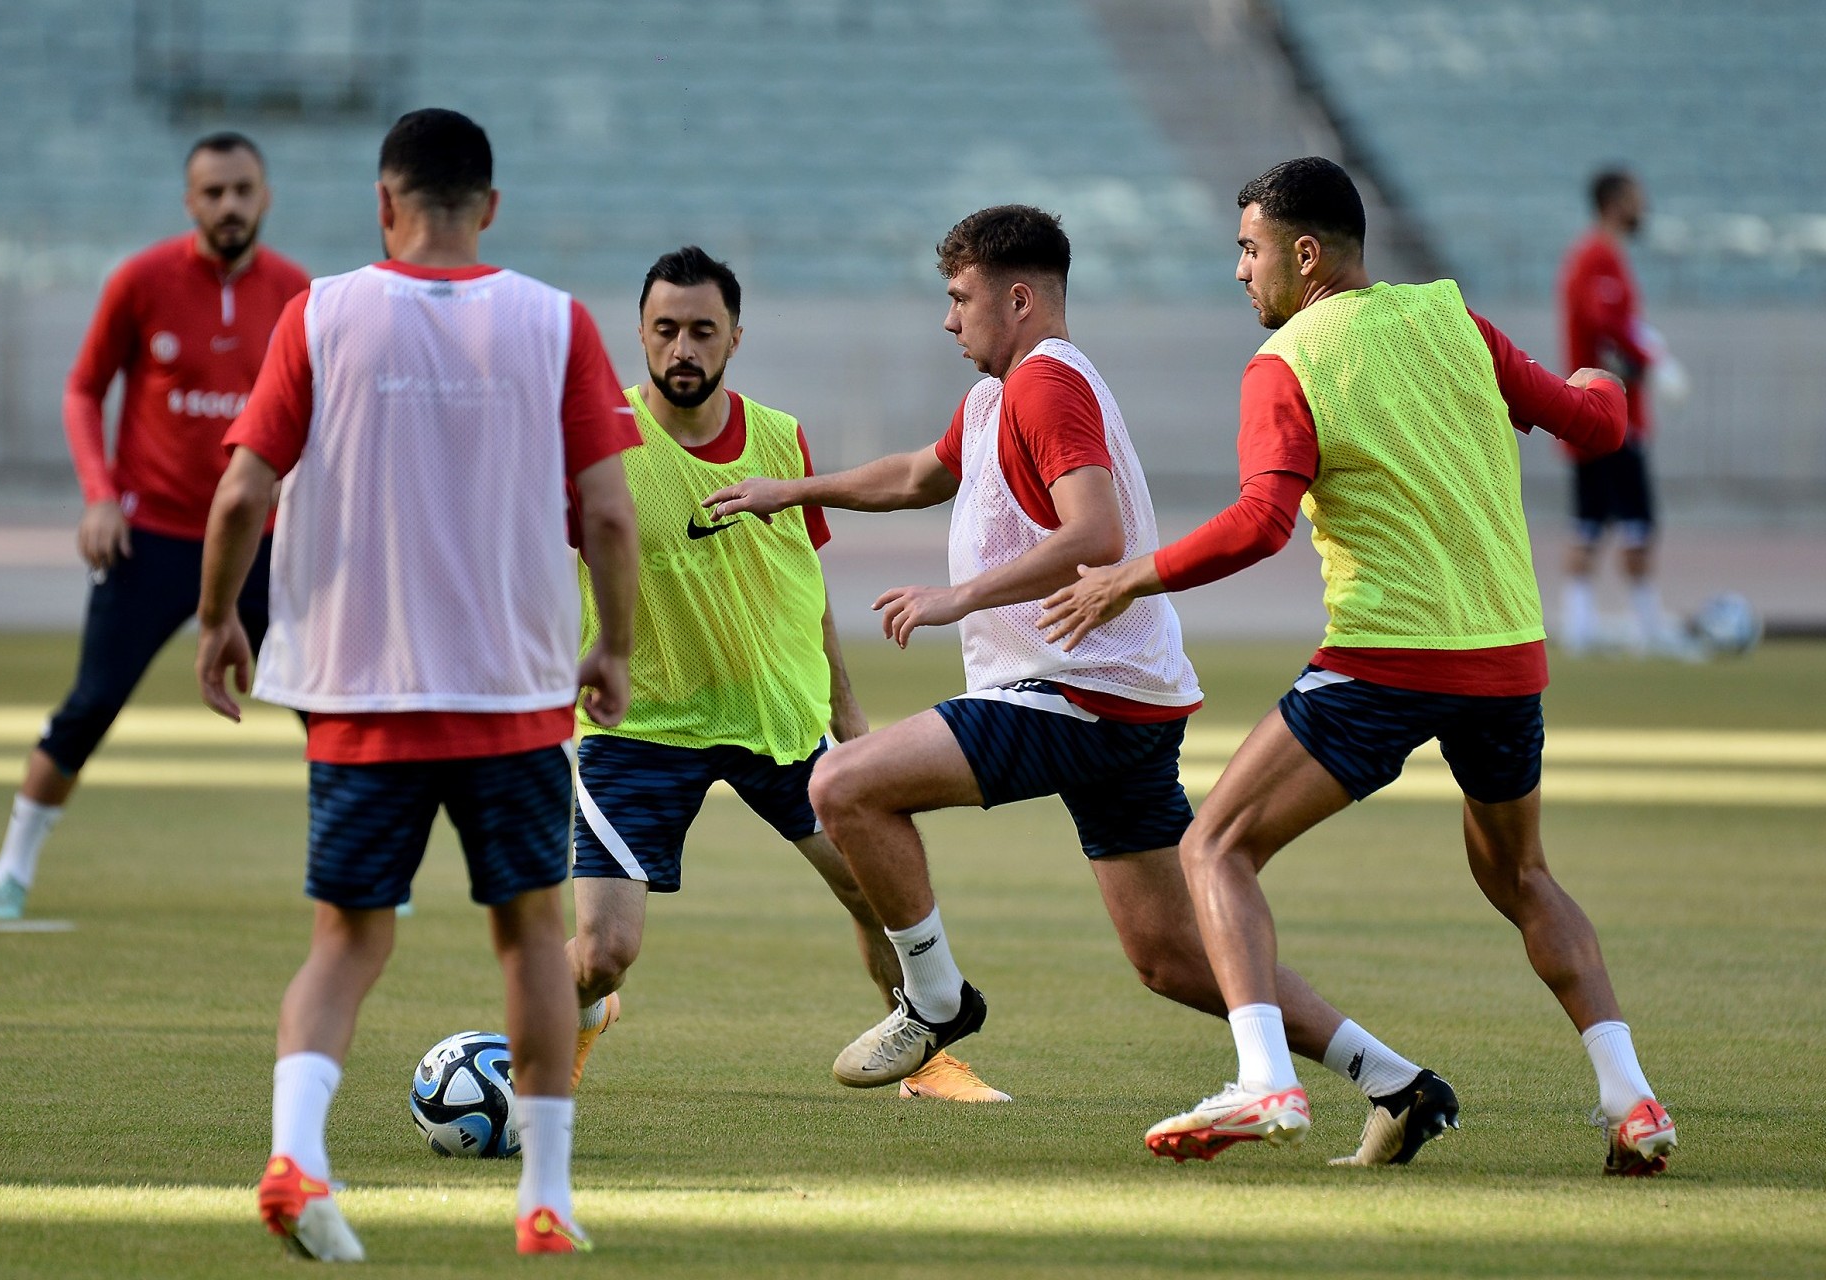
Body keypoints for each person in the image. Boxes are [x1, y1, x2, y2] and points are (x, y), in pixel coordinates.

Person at [708, 204, 1459, 1167]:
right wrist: (791, 491)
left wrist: (956, 598)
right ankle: (1397, 1081)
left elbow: (1094, 533)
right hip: (1117, 700)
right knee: (1172, 958)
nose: (948, 321)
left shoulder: (1046, 385)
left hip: (1074, 689)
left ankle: (935, 998)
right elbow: (915, 476)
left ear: (1018, 298)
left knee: (841, 784)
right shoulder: (997, 396)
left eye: (960, 298)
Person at [1039, 157, 1678, 1177]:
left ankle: (1265, 1078)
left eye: (1249, 249)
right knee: (1522, 874)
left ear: (1304, 254)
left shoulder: (1289, 360)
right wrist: (1600, 383)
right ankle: (1631, 1096)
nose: (1239, 271)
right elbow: (1594, 423)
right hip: (1506, 657)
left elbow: (1260, 522)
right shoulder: (1451, 321)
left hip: (1387, 655)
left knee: (1214, 847)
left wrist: (1131, 577)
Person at [196, 108, 641, 1258]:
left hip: (357, 692)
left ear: (384, 205)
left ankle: (299, 1155)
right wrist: (616, 648)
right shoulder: (554, 322)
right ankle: (544, 1195)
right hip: (510, 694)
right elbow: (605, 509)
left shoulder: (322, 312)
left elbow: (242, 493)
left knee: (345, 942)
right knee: (531, 939)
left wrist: (215, 625)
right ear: (489, 206)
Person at [565, 246, 1007, 1104]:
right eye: (665, 331)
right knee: (602, 955)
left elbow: (807, 590)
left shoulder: (781, 437)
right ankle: (579, 1019)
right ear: (641, 336)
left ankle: (925, 1058)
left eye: (702, 330)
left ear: (735, 335)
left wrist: (850, 722)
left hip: (777, 717)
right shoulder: (598, 437)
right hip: (642, 727)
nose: (682, 349)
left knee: (876, 891)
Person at [0, 133, 309, 922]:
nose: (230, 204)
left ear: (266, 196)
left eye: (243, 189)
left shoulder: (298, 294)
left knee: (323, 704)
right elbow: (84, 389)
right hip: (149, 536)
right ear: (189, 201)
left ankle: (368, 873)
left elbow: (319, 415)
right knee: (91, 703)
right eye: (213, 191)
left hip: (260, 541)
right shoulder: (141, 281)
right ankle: (10, 873)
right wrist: (99, 495)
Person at [1556, 168, 1686, 657]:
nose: (1642, 206)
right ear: (1614, 203)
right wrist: (1653, 359)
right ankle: (1647, 623)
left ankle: (1579, 624)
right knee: (1636, 520)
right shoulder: (1598, 257)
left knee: (1589, 519)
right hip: (1612, 412)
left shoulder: (1594, 256)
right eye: (1635, 197)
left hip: (1588, 410)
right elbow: (1608, 325)